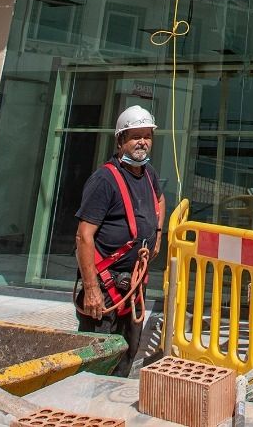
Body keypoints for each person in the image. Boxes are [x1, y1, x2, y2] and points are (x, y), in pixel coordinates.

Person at [75, 105, 166, 377]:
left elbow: (160, 200)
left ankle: (109, 412)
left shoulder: (148, 174)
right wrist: (91, 289)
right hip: (105, 287)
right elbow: (84, 235)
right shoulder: (105, 180)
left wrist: (157, 234)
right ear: (120, 140)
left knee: (128, 351)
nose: (142, 142)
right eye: (135, 136)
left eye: (147, 136)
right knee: (97, 358)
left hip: (134, 284)